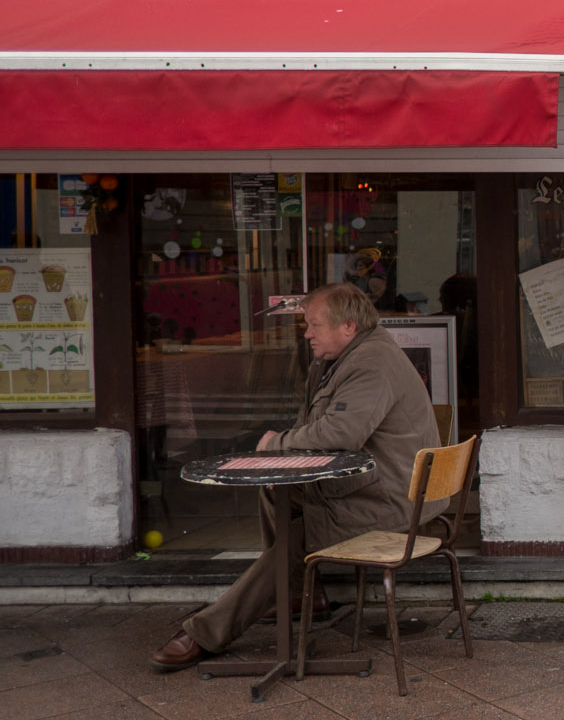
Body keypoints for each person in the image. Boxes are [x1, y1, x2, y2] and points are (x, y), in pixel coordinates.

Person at [151, 283, 447, 672]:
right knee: (276, 493)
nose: (307, 333)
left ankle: (206, 631)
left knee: (295, 543)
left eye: (314, 325)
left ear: (348, 326)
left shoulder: (371, 363)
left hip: (390, 504)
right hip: (380, 487)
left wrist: (277, 443)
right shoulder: (345, 357)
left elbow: (342, 433)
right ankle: (298, 594)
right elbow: (320, 425)